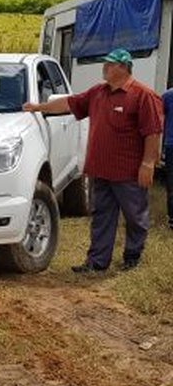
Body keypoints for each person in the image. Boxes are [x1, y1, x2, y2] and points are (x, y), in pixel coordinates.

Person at [24, 48, 163, 272]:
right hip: (100, 169)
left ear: (123, 67)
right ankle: (97, 262)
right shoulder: (98, 92)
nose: (104, 68)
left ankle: (132, 257)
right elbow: (69, 103)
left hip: (128, 172)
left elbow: (153, 132)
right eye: (105, 63)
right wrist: (39, 107)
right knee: (102, 217)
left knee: (135, 217)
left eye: (109, 64)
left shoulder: (143, 95)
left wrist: (148, 164)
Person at [162, 85, 173, 229]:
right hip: (171, 144)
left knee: (172, 183)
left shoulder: (167, 96)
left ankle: (172, 218)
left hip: (171, 145)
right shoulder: (167, 96)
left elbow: (159, 118)